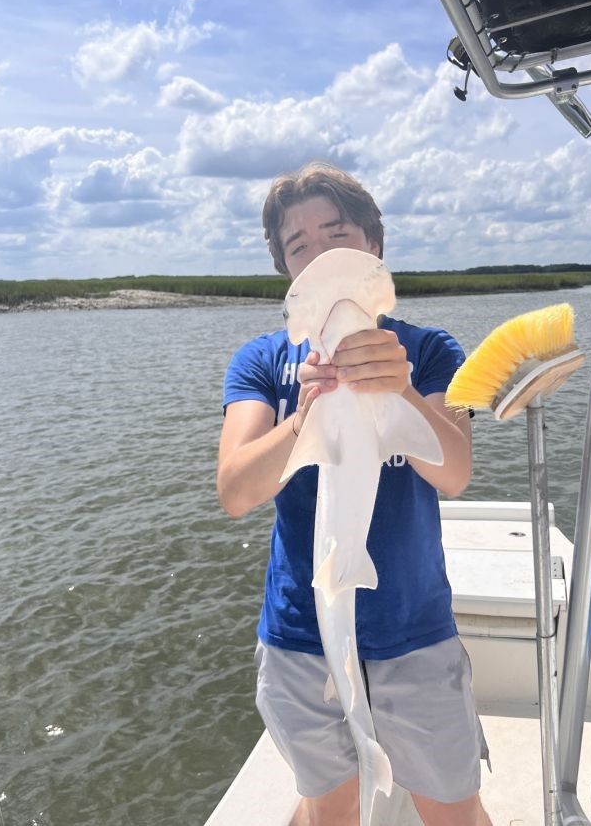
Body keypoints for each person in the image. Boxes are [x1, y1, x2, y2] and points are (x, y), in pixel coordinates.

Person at [217, 162, 492, 826]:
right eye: (298, 244)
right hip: (300, 632)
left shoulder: (428, 352)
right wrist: (305, 416)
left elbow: (452, 472)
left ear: (373, 244)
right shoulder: (261, 362)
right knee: (328, 808)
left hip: (413, 631)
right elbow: (235, 489)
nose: (317, 251)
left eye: (335, 233)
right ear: (286, 267)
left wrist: (394, 387)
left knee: (455, 811)